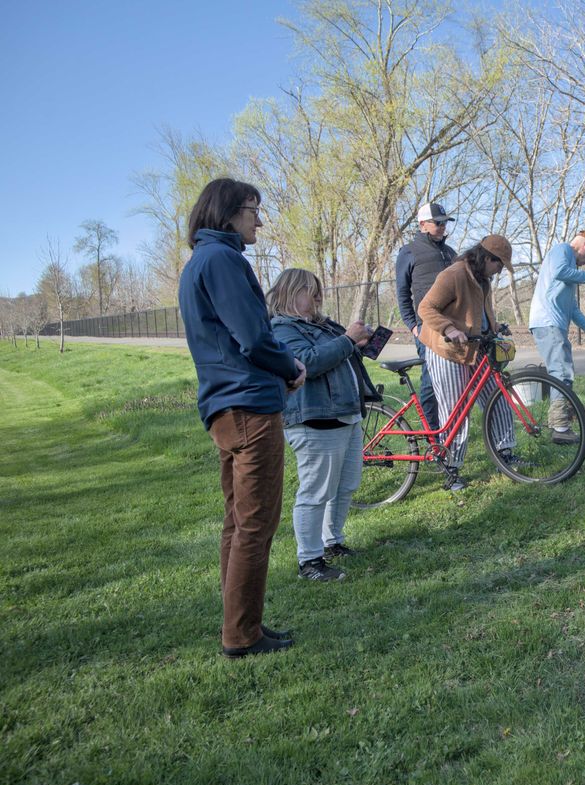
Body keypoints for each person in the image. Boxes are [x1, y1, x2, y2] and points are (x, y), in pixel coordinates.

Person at [178, 178, 305, 659]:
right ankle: (241, 635)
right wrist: (290, 366)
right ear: (228, 212)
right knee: (255, 524)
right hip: (248, 404)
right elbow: (252, 337)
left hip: (223, 407)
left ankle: (240, 624)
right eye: (254, 209)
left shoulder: (198, 264)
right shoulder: (224, 260)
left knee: (237, 522)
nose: (259, 219)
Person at [268, 269, 378, 582]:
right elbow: (307, 362)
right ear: (290, 293)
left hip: (345, 413)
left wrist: (360, 343)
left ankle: (333, 542)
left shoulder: (322, 325)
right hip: (315, 417)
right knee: (316, 491)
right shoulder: (281, 328)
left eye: (319, 291)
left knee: (346, 486)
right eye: (310, 291)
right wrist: (347, 340)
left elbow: (340, 353)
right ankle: (309, 561)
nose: (318, 298)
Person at [417, 235, 517, 491]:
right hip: (447, 350)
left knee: (498, 396)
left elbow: (482, 312)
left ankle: (505, 454)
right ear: (486, 258)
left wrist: (495, 327)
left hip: (475, 347)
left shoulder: (484, 279)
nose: (500, 270)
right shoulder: (454, 274)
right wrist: (449, 329)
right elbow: (426, 308)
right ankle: (451, 468)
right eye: (499, 264)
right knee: (456, 410)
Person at [528, 230, 585, 443]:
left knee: (562, 371)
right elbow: (559, 271)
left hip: (553, 324)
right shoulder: (562, 250)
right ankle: (560, 428)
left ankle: (559, 425)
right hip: (547, 322)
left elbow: (573, 311)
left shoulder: (570, 274)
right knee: (561, 371)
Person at [395, 202, 458, 430]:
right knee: (431, 383)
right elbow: (402, 293)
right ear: (423, 225)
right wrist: (414, 326)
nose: (442, 227)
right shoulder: (409, 251)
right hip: (427, 327)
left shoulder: (450, 253)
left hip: (454, 326)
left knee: (453, 382)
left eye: (445, 222)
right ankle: (432, 435)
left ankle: (449, 431)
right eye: (437, 223)